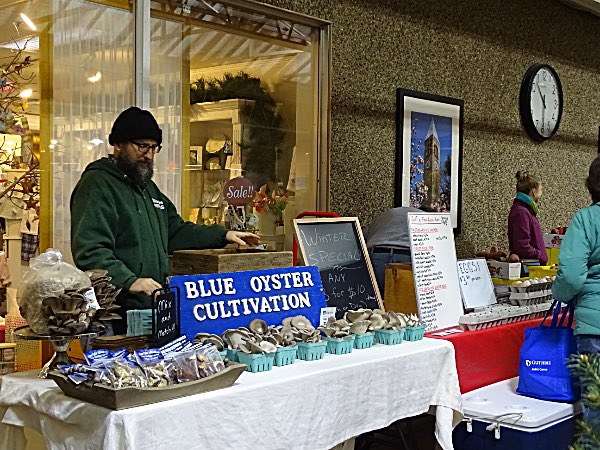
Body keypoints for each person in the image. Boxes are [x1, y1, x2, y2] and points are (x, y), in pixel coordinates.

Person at [70, 106, 259, 333]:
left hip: (151, 307)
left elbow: (175, 231)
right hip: (115, 314)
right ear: (118, 145)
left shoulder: (148, 189)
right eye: (141, 146)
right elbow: (90, 250)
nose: (148, 154)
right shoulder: (97, 185)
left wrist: (224, 234)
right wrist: (130, 281)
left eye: (153, 147)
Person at [552, 155, 600, 429]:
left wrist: (560, 294)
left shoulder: (585, 220)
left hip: (594, 328)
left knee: (596, 412)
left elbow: (570, 276)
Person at [365, 205, 435, 297]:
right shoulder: (429, 219)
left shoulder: (390, 213)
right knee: (402, 302)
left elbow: (363, 236)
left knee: (378, 301)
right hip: (407, 256)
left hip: (377, 254)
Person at [507, 171, 548, 265]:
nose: (542, 193)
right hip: (529, 267)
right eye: (541, 190)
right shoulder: (522, 212)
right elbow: (522, 245)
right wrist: (540, 255)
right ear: (534, 192)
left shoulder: (526, 210)